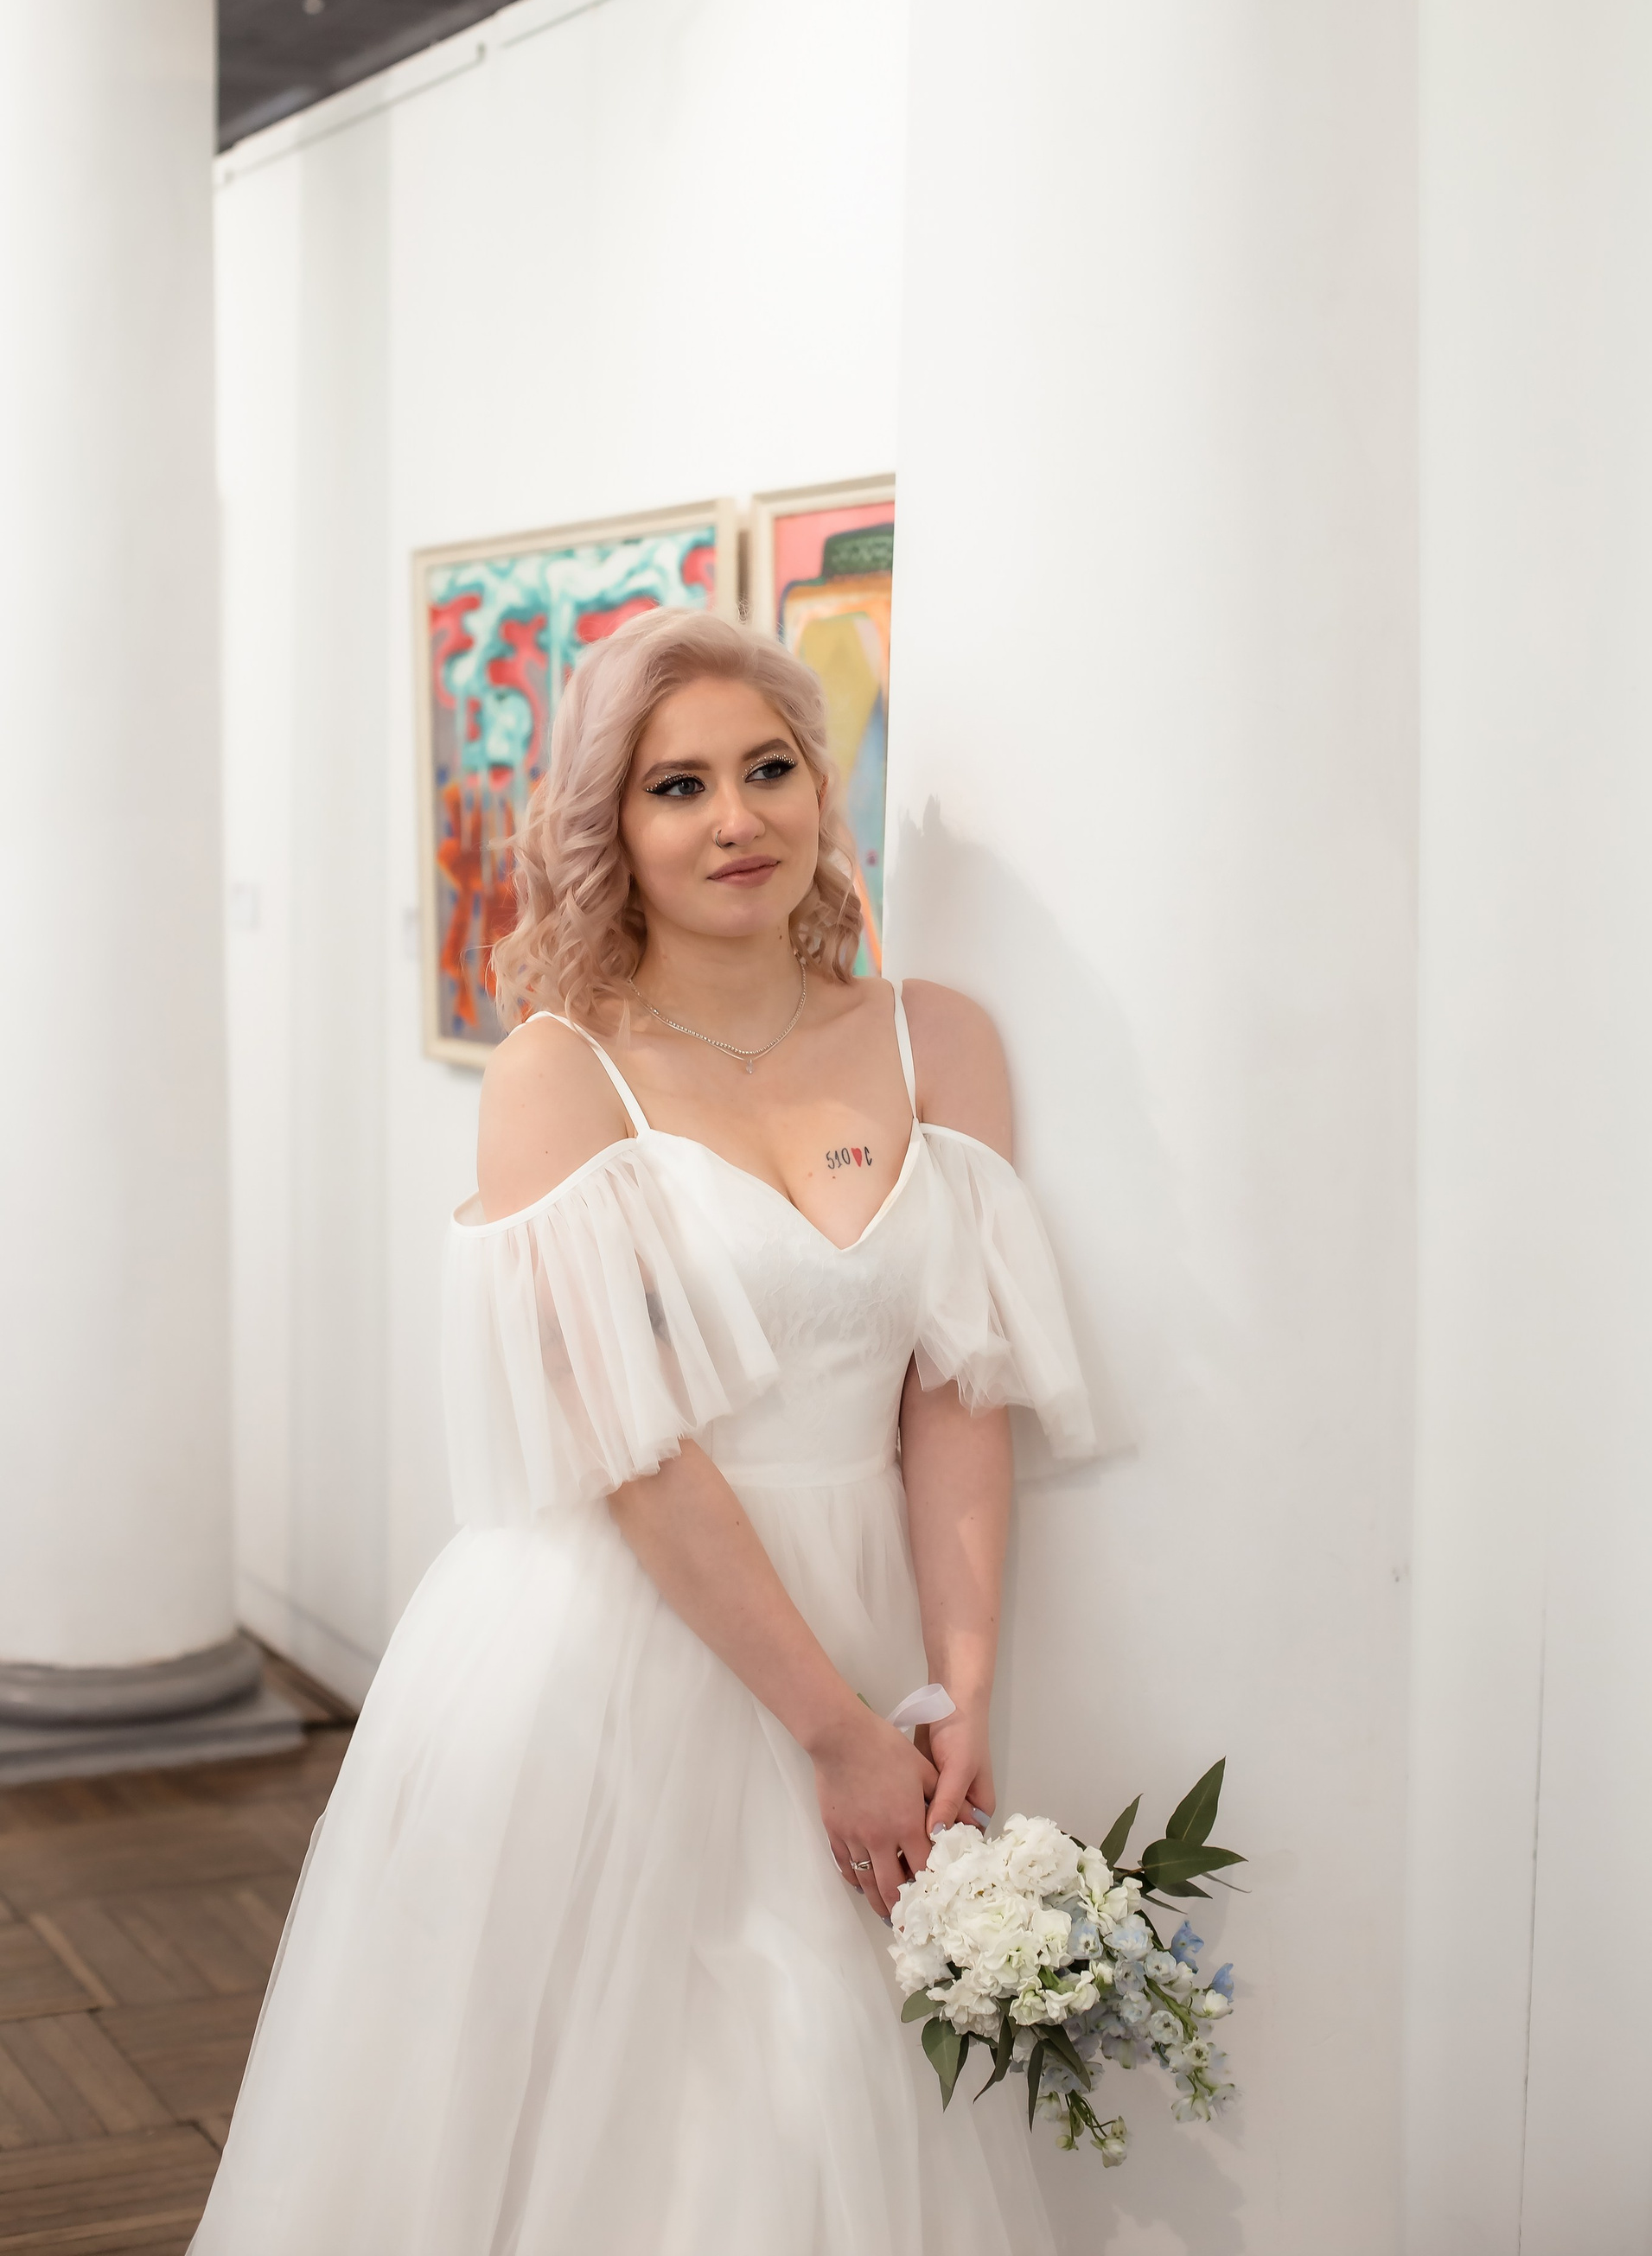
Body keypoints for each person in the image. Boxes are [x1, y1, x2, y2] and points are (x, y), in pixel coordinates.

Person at [191, 608, 1094, 2253]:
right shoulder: (559, 1073)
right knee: (637, 2097)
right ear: (610, 821)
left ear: (821, 787)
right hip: (625, 1643)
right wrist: (834, 1737)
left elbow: (958, 1390)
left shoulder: (936, 1038)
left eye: (770, 769)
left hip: (868, 1617)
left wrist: (957, 1691)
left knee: (837, 2096)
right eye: (679, 786)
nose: (736, 818)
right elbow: (633, 1449)